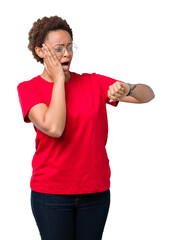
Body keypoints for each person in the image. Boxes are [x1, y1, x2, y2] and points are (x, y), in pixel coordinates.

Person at [17, 16, 155, 240]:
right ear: (40, 52)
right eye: (59, 48)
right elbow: (54, 127)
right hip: (51, 194)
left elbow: (147, 95)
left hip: (96, 192)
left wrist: (127, 88)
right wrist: (59, 80)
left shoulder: (93, 82)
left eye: (70, 46)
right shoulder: (29, 88)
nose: (67, 54)